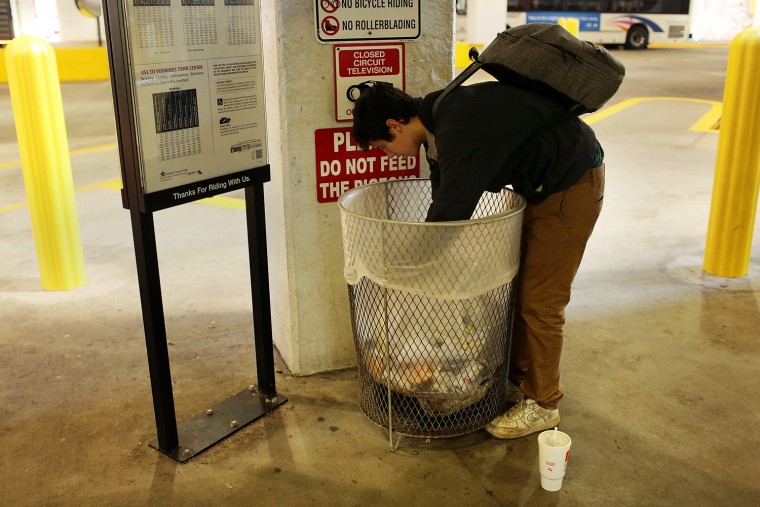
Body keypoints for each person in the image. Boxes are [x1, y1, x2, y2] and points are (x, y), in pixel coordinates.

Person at [351, 80, 605, 439]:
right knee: (519, 289)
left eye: (382, 146)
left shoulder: (455, 127)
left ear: (394, 125)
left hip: (572, 182)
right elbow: (440, 211)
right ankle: (518, 379)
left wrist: (405, 275)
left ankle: (543, 405)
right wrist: (418, 263)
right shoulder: (437, 124)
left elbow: (451, 215)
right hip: (541, 185)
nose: (388, 155)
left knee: (541, 300)